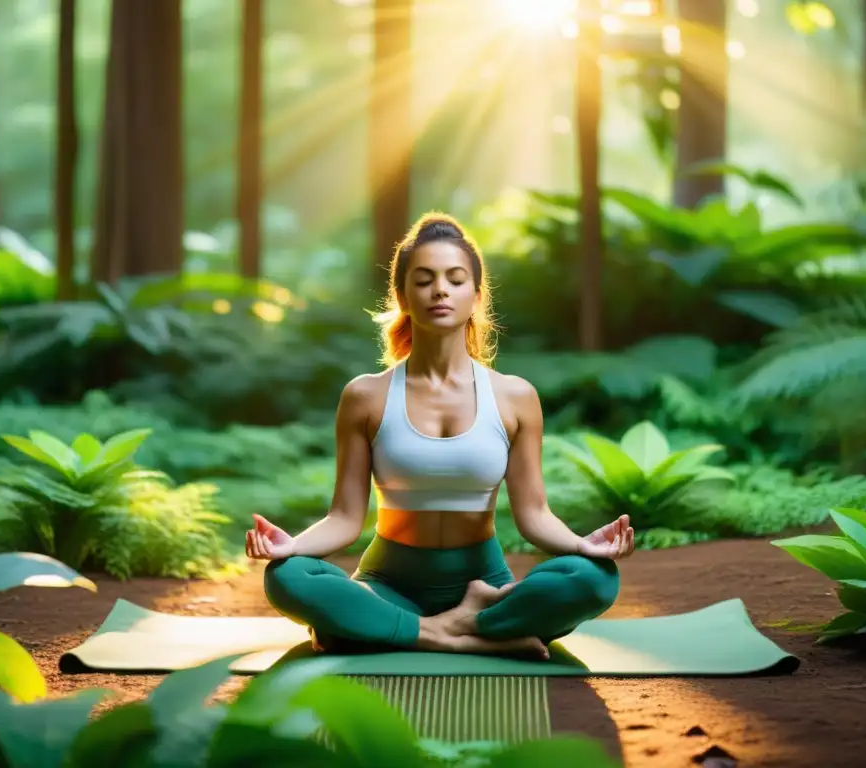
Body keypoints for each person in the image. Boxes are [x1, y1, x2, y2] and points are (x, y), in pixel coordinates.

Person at [245, 212, 635, 659]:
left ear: (476, 295)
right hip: (388, 582)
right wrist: (290, 546)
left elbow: (535, 515)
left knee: (594, 577)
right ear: (403, 296)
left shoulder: (514, 396)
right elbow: (345, 518)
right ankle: (467, 635)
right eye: (424, 279)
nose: (440, 290)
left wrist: (583, 545)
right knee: (287, 576)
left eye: (455, 278)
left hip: (482, 583)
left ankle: (396, 629)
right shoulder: (366, 396)